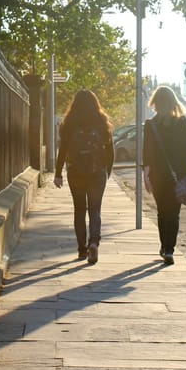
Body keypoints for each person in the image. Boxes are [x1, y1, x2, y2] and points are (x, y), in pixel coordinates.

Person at [54, 89, 114, 264]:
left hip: (75, 173)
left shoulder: (70, 123)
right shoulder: (102, 123)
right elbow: (110, 151)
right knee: (95, 210)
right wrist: (106, 171)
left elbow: (63, 150)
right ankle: (94, 242)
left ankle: (82, 250)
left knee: (79, 210)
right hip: (98, 173)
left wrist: (58, 174)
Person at [142, 86, 186, 265]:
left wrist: (146, 176)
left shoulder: (150, 125)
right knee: (174, 213)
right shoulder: (181, 122)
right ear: (173, 102)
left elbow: (146, 153)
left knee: (162, 212)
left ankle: (164, 247)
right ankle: (170, 249)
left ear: (155, 103)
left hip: (158, 175)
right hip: (179, 175)